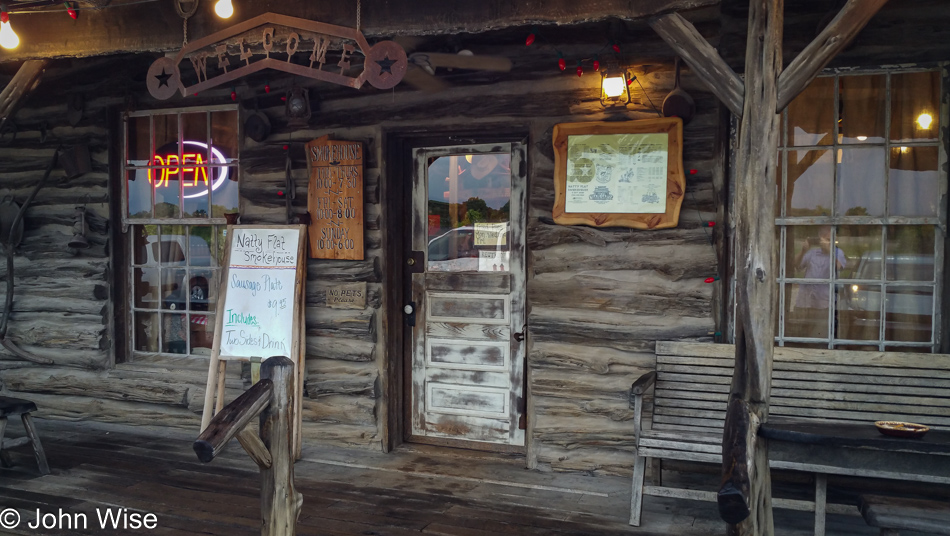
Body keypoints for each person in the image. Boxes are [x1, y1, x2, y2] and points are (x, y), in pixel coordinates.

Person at [789, 227, 846, 338]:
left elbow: (838, 266)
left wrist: (830, 251)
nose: (826, 242)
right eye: (824, 239)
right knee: (801, 335)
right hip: (805, 301)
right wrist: (803, 251)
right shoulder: (812, 253)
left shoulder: (838, 252)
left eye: (829, 240)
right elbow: (796, 265)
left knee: (820, 336)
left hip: (823, 304)